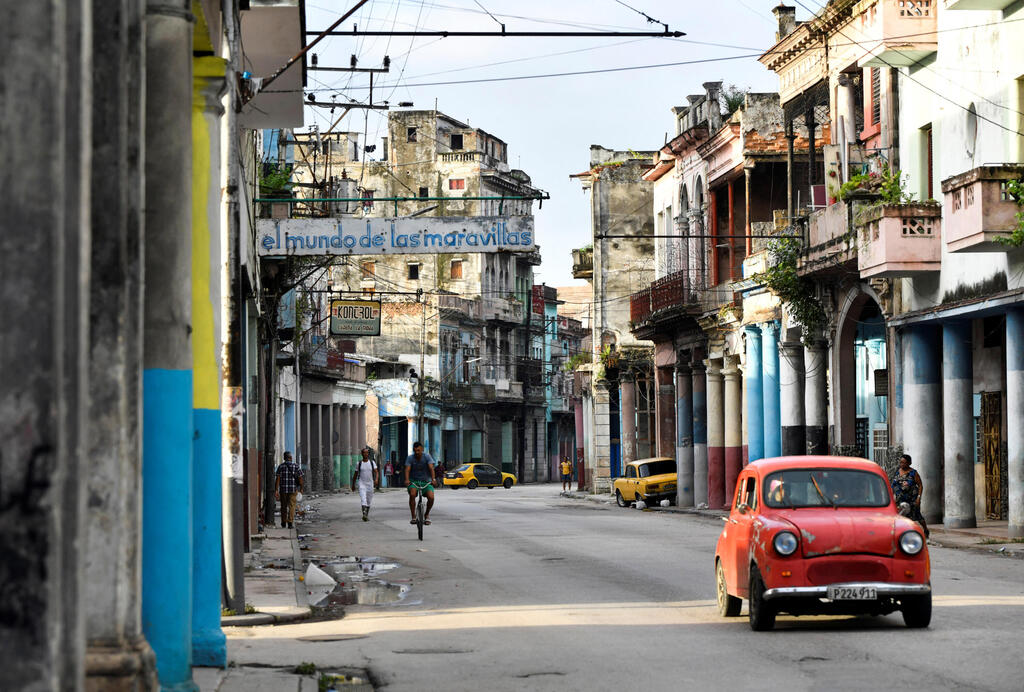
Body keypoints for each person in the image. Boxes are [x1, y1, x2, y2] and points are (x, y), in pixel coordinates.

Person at [892, 453, 928, 537]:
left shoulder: (913, 473)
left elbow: (920, 485)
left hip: (912, 498)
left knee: (917, 515)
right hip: (900, 499)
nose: (902, 464)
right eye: (901, 462)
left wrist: (919, 497)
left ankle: (925, 530)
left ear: (909, 463)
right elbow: (893, 485)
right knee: (901, 516)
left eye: (904, 462)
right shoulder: (897, 472)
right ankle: (904, 533)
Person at [404, 441, 436, 525]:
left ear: (422, 449)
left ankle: (427, 514)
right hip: (414, 481)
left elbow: (431, 468)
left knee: (431, 497)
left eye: (418, 450)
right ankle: (413, 516)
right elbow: (407, 469)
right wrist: (407, 480)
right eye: (415, 451)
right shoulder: (410, 458)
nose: (417, 453)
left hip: (426, 481)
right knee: (412, 494)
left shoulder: (427, 457)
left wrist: (433, 479)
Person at [274, 451, 304, 529]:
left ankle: (283, 522)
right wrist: (301, 489)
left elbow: (278, 479)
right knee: (292, 506)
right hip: (293, 490)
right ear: (290, 458)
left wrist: (276, 490)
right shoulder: (296, 466)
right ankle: (290, 523)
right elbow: (300, 479)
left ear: (284, 458)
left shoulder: (281, 466)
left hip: (283, 490)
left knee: (283, 506)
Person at [351, 446, 379, 521]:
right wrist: (353, 485)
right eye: (364, 453)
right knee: (363, 498)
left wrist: (376, 479)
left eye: (367, 453)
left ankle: (366, 515)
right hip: (362, 483)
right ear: (362, 454)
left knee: (369, 500)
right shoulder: (359, 463)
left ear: (368, 454)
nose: (366, 454)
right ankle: (364, 514)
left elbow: (376, 472)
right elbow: (355, 474)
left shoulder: (372, 463)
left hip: (370, 483)